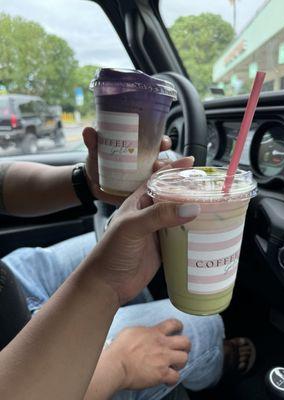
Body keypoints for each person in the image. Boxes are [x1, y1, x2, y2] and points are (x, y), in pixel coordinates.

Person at [0, 127, 255, 399]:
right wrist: (116, 366)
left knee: (113, 242)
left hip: (13, 279)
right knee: (203, 326)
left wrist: (86, 182)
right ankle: (219, 364)